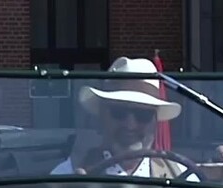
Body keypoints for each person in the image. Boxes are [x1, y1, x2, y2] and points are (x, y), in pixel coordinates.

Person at [52, 56, 197, 181]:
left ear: (155, 121)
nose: (130, 125)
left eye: (142, 115)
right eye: (119, 112)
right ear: (103, 116)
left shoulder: (180, 175)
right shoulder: (68, 174)